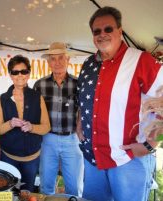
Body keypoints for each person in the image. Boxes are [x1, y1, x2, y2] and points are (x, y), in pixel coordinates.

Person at [77, 6, 163, 201]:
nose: (102, 34)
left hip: (128, 160)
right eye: (96, 31)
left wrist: (150, 145)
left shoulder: (141, 60)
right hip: (93, 159)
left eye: (108, 29)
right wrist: (79, 121)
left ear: (119, 31)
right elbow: (82, 98)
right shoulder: (88, 63)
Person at [0, 55, 51, 192]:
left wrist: (32, 127)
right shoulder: (4, 98)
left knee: (26, 193)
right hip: (8, 157)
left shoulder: (37, 97)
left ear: (29, 73)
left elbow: (46, 127)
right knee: (6, 194)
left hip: (31, 159)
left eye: (24, 71)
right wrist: (10, 124)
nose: (20, 75)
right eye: (15, 72)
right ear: (10, 75)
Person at [33, 42, 84, 196]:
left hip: (72, 140)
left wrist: (80, 129)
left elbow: (83, 110)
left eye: (61, 58)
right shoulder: (39, 85)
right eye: (53, 59)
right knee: (46, 187)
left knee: (74, 188)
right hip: (47, 140)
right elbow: (35, 114)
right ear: (48, 63)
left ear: (68, 60)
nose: (57, 62)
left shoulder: (79, 84)